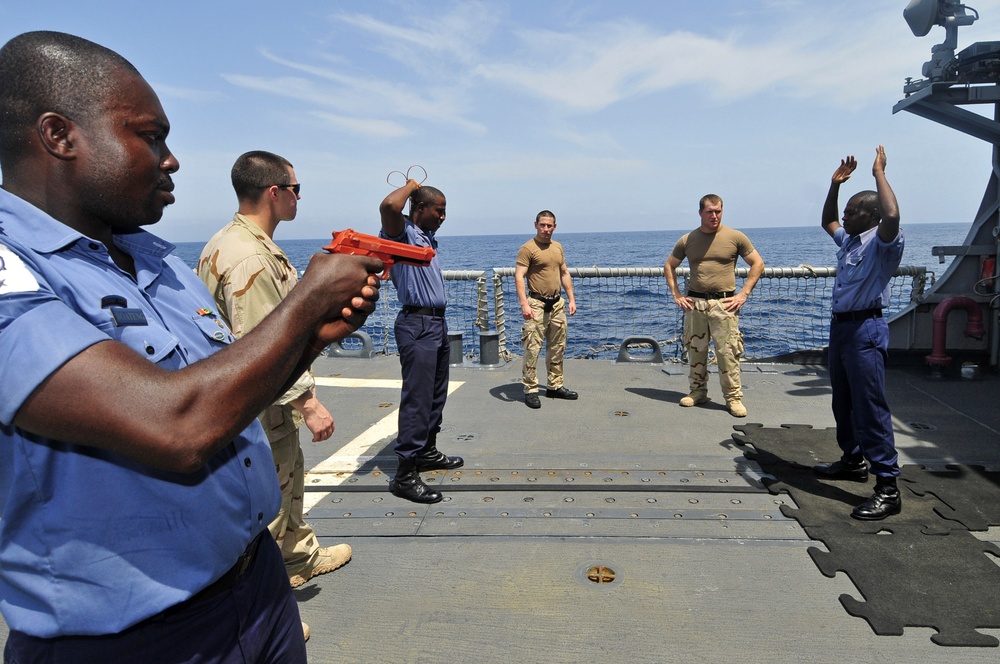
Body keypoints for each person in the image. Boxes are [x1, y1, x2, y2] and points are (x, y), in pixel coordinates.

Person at [0, 31, 381, 663]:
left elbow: (223, 384)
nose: (171, 160)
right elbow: (175, 425)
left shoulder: (152, 256)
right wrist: (305, 302)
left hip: (256, 589)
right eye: (149, 136)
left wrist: (309, 339)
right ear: (59, 136)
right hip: (134, 641)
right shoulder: (14, 273)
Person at [199, 151, 353, 591]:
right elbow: (263, 343)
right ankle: (263, 610)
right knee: (266, 502)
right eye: (295, 189)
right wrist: (309, 403)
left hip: (253, 399)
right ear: (275, 192)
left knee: (288, 476)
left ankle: (298, 555)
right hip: (259, 405)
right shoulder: (250, 258)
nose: (299, 198)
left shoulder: (227, 243)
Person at [813, 146, 904, 521]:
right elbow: (827, 222)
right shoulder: (850, 240)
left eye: (852, 212)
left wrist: (878, 173)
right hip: (842, 331)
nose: (845, 217)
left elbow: (893, 214)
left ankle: (887, 487)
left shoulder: (883, 245)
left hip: (866, 329)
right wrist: (834, 186)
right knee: (843, 402)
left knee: (870, 408)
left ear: (871, 216)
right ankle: (852, 460)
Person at [379, 177, 463, 504]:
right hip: (416, 322)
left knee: (435, 395)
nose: (443, 217)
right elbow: (389, 205)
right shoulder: (399, 232)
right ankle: (404, 473)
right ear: (420, 208)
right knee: (417, 397)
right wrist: (412, 185)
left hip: (436, 323)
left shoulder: (425, 238)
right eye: (439, 211)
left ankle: (427, 451)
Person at [665, 195, 765, 417]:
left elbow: (757, 263)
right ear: (700, 212)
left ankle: (733, 398)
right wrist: (677, 294)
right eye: (710, 211)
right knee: (695, 350)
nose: (714, 216)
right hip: (696, 303)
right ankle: (697, 392)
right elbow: (669, 265)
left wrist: (743, 294)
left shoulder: (735, 237)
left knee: (727, 351)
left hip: (725, 304)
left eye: (718, 211)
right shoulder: (687, 240)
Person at [515, 210, 578, 409]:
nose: (545, 229)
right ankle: (531, 389)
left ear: (554, 227)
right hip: (536, 303)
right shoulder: (528, 248)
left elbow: (564, 273)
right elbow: (519, 276)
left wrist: (571, 299)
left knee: (557, 347)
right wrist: (524, 304)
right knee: (532, 348)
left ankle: (555, 385)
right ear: (535, 225)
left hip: (557, 303)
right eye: (542, 225)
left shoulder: (558, 247)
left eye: (549, 225)